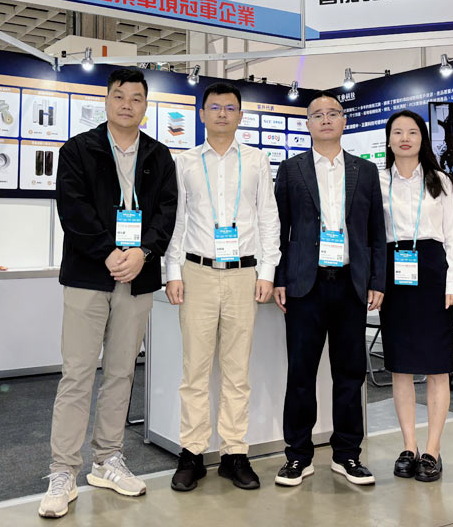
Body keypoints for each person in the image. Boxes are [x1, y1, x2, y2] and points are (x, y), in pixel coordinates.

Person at [39, 68, 178, 519]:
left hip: (137, 277)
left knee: (121, 372)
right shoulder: (79, 149)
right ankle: (63, 471)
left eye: (136, 98)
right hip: (88, 274)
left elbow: (167, 211)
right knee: (77, 374)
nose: (127, 105)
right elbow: (73, 209)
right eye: (120, 96)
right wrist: (109, 252)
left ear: (145, 106)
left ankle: (107, 459)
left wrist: (143, 252)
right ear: (107, 100)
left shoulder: (159, 155)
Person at [165, 82, 281, 492]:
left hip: (243, 274)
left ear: (240, 115)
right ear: (201, 114)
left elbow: (267, 217)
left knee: (236, 371)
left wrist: (267, 271)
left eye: (230, 108)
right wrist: (172, 271)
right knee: (194, 370)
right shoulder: (184, 162)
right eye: (214, 107)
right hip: (195, 272)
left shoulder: (257, 160)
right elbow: (178, 219)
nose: (222, 114)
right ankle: (192, 454)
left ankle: (234, 454)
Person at [272, 91, 386, 488]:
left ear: (343, 121)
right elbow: (279, 229)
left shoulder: (365, 171)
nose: (325, 119)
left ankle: (347, 455)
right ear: (307, 123)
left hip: (351, 285)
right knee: (300, 374)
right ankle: (297, 456)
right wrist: (280, 276)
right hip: (305, 285)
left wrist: (377, 280)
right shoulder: (291, 169)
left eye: (332, 113)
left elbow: (376, 231)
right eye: (317, 114)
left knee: (350, 374)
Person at [379, 109, 453, 483]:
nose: (404, 138)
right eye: (397, 132)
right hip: (393, 269)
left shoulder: (440, 181)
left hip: (431, 269)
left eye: (412, 132)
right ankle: (409, 446)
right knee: (400, 365)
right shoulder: (378, 180)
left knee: (436, 365)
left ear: (422, 138)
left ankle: (432, 449)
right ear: (388, 140)